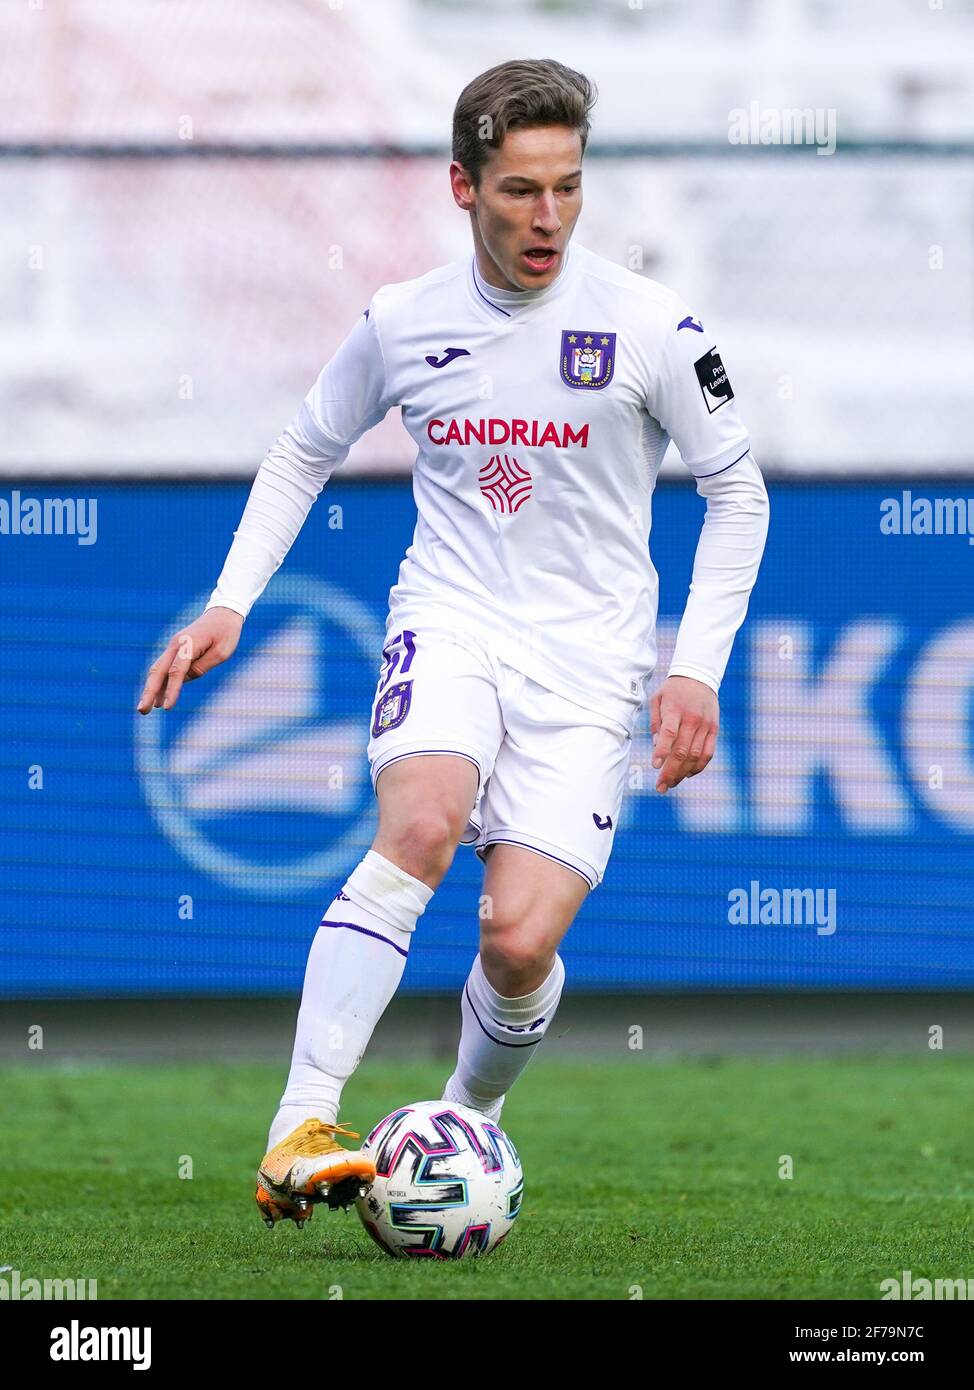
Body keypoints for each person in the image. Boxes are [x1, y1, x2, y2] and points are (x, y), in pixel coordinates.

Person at [137, 57, 770, 1228]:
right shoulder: (401, 319)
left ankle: (454, 1121)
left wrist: (695, 667)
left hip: (590, 668)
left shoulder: (647, 327)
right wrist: (229, 601)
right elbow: (301, 451)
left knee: (517, 940)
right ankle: (299, 1125)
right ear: (460, 187)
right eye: (519, 191)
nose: (547, 218)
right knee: (421, 822)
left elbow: (738, 493)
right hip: (451, 620)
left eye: (567, 188)